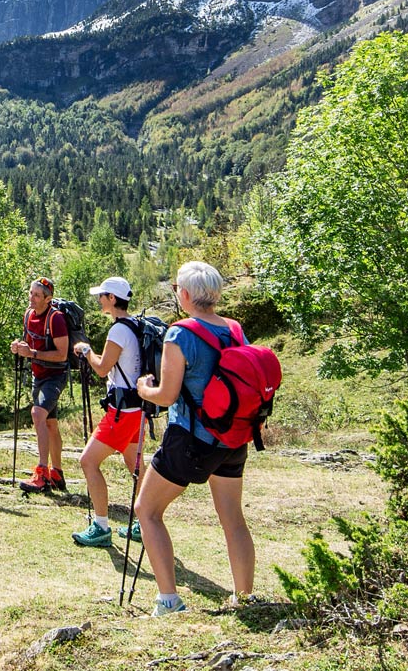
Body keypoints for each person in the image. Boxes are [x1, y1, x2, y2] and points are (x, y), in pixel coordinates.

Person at [134, 261, 254, 616]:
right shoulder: (234, 329)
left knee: (147, 510)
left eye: (176, 289)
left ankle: (169, 600)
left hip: (190, 438)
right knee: (232, 517)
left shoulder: (179, 333)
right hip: (232, 437)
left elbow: (168, 396)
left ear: (184, 294)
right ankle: (244, 598)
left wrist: (145, 389)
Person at [67, 276, 143, 548]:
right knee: (135, 464)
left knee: (88, 461)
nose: (99, 299)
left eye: (102, 295)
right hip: (137, 409)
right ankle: (144, 522)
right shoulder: (135, 325)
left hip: (122, 412)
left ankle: (101, 526)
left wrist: (86, 350)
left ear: (113, 299)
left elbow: (101, 368)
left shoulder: (119, 330)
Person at [9, 277, 69, 492]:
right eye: (30, 293)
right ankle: (57, 474)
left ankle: (42, 472)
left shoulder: (57, 319)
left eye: (36, 295)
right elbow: (29, 342)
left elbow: (62, 355)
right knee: (50, 424)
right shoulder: (28, 315)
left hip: (55, 376)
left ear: (48, 299)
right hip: (38, 375)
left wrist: (32, 353)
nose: (31, 298)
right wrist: (19, 347)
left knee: (37, 414)